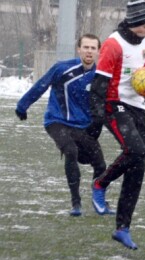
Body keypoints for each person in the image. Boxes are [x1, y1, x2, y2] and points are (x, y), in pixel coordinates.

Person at [15, 34, 111, 217]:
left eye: (93, 48)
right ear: (79, 49)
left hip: (82, 127)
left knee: (101, 165)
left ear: (98, 51)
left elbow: (107, 103)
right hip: (57, 121)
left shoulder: (99, 76)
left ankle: (99, 200)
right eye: (86, 47)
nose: (89, 51)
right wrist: (22, 105)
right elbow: (41, 85)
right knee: (71, 151)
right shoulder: (62, 68)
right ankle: (76, 203)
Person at [89, 0, 145, 250]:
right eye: (144, 25)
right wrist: (97, 120)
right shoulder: (113, 44)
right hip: (114, 104)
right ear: (133, 22)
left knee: (138, 166)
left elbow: (144, 72)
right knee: (135, 150)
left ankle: (122, 228)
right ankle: (100, 183)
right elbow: (98, 87)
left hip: (138, 107)